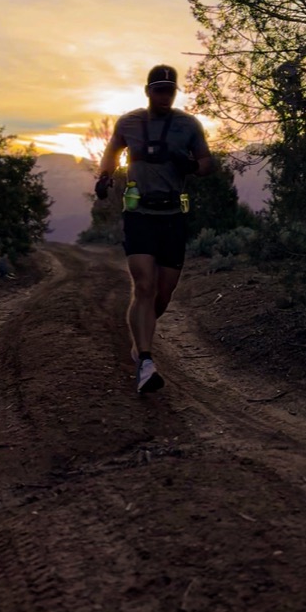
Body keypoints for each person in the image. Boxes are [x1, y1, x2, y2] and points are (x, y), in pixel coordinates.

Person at [95, 65, 212, 394]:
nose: (164, 96)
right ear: (147, 91)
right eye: (159, 90)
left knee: (163, 293)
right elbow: (111, 152)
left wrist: (189, 164)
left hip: (173, 214)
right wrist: (104, 177)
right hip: (139, 213)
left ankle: (139, 339)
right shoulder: (129, 122)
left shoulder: (188, 125)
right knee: (144, 286)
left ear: (175, 92)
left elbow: (207, 163)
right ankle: (145, 360)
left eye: (170, 91)